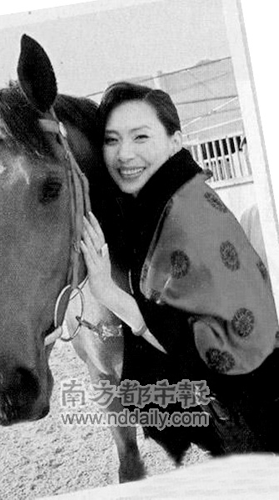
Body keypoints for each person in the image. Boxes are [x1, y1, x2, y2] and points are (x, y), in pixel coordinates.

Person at [81, 81, 279, 456]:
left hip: (252, 418)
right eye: (112, 140)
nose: (125, 154)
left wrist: (108, 293)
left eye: (141, 136)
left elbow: (206, 354)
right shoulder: (171, 200)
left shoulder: (186, 218)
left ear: (175, 141)